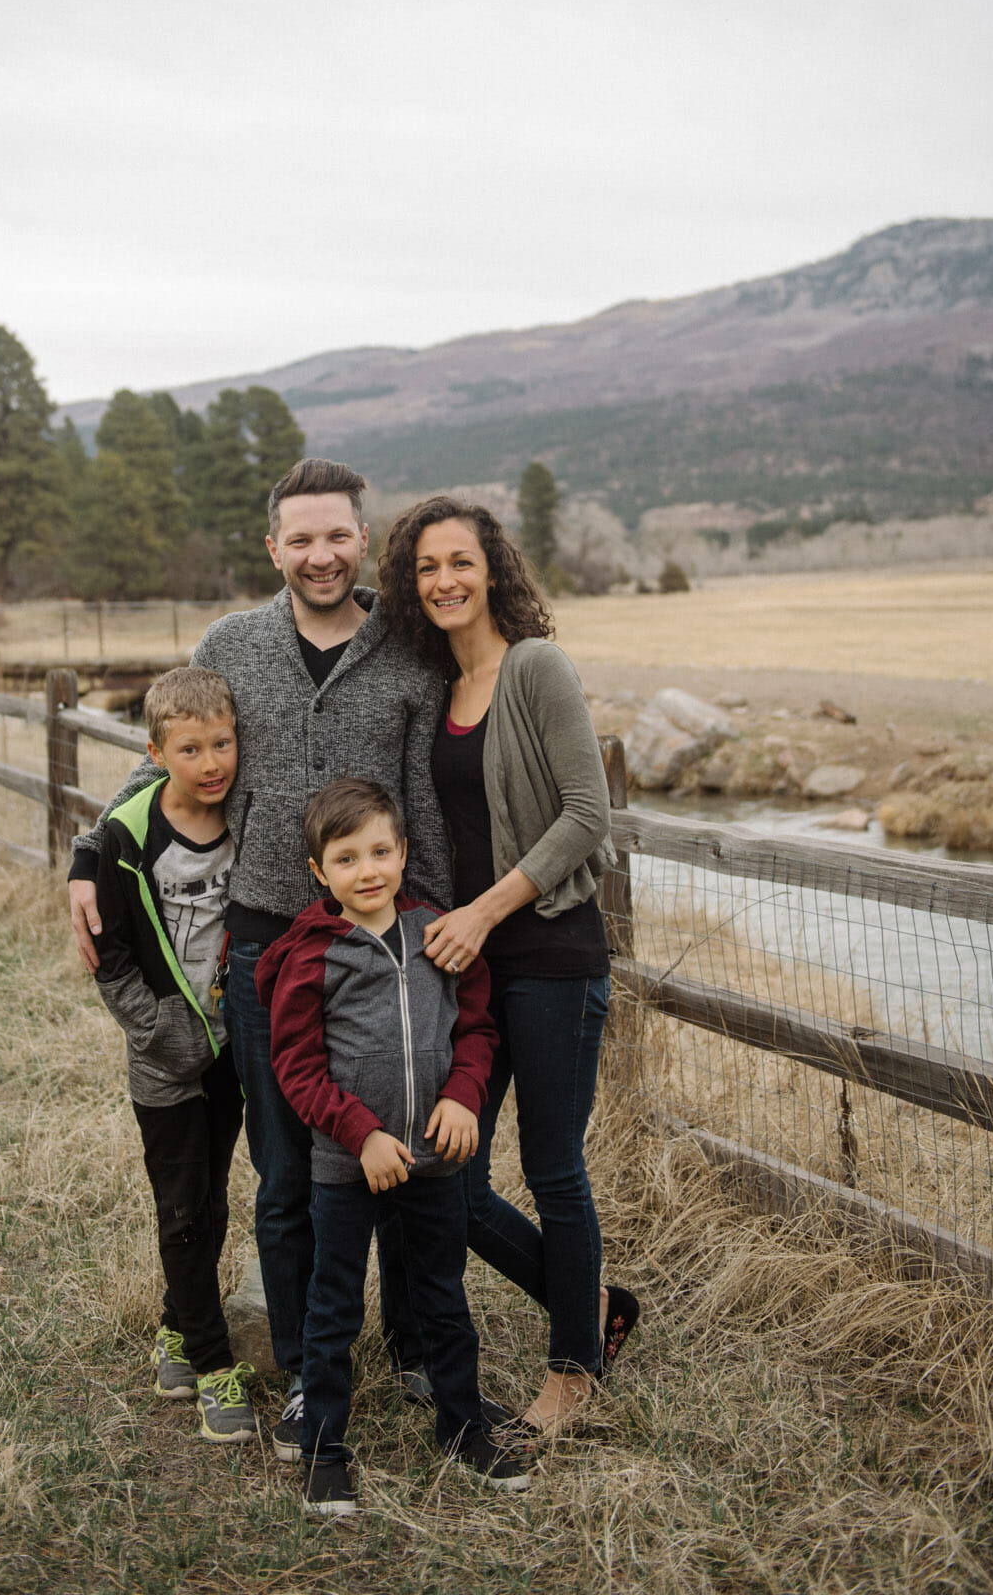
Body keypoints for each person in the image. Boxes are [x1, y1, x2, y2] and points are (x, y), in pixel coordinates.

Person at [68, 458, 453, 1456]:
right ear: (272, 546)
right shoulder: (230, 642)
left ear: (362, 539)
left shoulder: (410, 650)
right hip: (261, 943)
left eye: (337, 535)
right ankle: (296, 1363)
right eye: (300, 538)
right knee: (284, 1169)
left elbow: (426, 807)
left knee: (395, 1144)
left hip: (380, 950)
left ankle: (413, 1340)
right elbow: (161, 754)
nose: (319, 554)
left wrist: (441, 939)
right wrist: (88, 848)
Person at [377, 494, 641, 1436]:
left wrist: (481, 913)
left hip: (553, 958)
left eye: (460, 562)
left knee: (554, 1168)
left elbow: (586, 812)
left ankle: (571, 1370)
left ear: (493, 570)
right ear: (409, 587)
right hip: (472, 971)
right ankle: (594, 1308)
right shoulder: (436, 690)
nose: (444, 580)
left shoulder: (536, 667)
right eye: (425, 568)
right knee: (451, 1174)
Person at [256, 778, 528, 1515]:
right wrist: (360, 1133)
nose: (367, 870)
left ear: (404, 853)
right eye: (347, 859)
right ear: (318, 873)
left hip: (435, 1160)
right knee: (333, 1305)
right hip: (347, 1166)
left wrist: (463, 1094)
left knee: (442, 1295)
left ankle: (463, 1428)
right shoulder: (312, 957)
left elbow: (474, 1031)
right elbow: (297, 1068)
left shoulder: (440, 934)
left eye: (380, 851)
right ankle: (323, 1449)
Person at [89, 665, 257, 1444]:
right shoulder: (128, 836)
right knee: (180, 1208)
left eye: (221, 743)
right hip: (164, 1058)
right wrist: (159, 1032)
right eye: (190, 749)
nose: (211, 762)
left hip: (230, 1051)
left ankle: (174, 1328)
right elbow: (110, 957)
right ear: (156, 752)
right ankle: (214, 1366)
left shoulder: (245, 820)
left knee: (213, 1199)